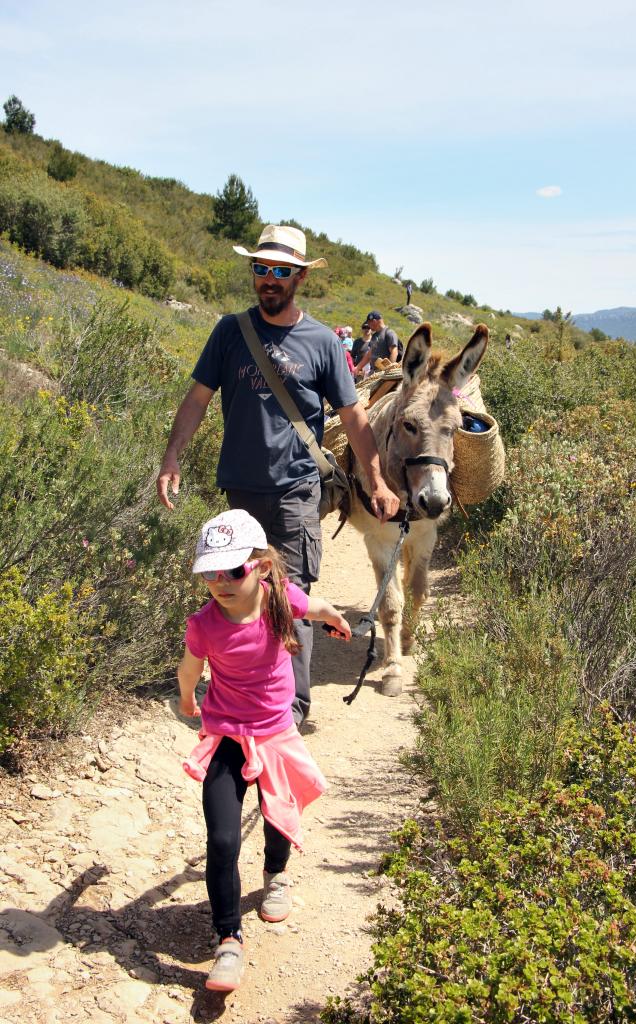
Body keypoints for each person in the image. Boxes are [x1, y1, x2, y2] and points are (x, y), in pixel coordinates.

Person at [157, 225, 399, 727]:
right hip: (239, 492)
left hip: (294, 491)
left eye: (281, 271)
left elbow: (354, 420)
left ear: (300, 277)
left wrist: (376, 480)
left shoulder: (323, 343)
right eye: (261, 269)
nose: (269, 279)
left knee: (291, 598)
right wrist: (172, 455)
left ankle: (289, 708)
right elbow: (197, 400)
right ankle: (240, 694)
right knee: (236, 594)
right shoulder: (229, 332)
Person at [178, 508, 351, 992]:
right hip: (228, 738)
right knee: (223, 840)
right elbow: (189, 668)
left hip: (275, 735)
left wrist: (335, 616)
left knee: (278, 819)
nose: (220, 582)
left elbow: (311, 607)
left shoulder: (278, 600)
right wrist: (188, 699)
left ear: (262, 567)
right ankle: (228, 939)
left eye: (232, 570)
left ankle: (276, 874)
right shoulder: (205, 625)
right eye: (209, 572)